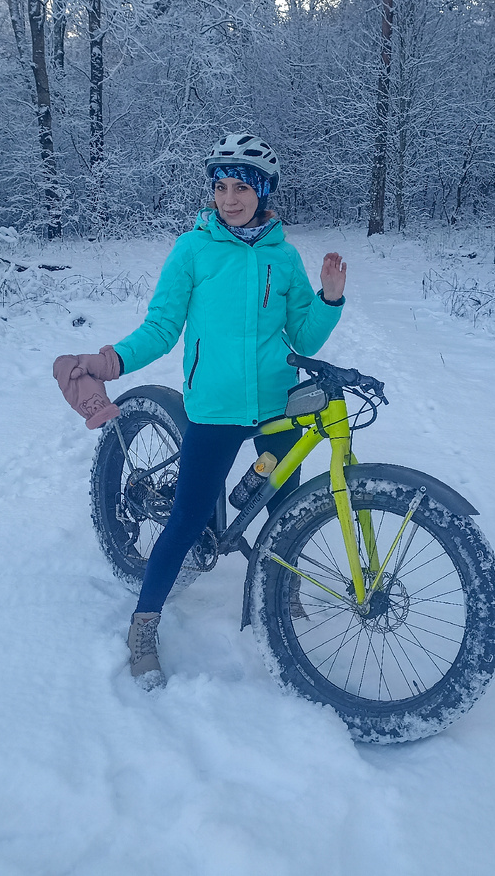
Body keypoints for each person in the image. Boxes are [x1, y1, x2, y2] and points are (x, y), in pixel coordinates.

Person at [75, 133, 347, 688]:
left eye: (242, 188)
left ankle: (281, 589)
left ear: (263, 191)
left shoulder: (283, 256)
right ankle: (144, 623)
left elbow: (304, 335)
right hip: (214, 408)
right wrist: (111, 360)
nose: (229, 199)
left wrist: (329, 298)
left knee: (284, 507)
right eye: (221, 188)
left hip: (275, 405)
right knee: (189, 516)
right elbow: (162, 326)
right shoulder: (192, 250)